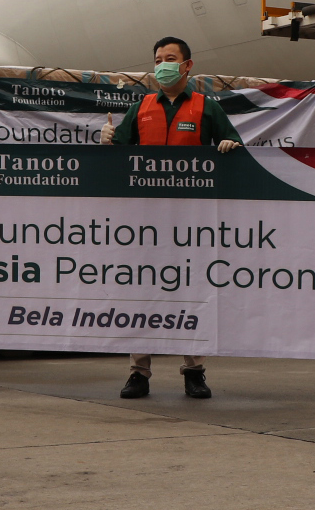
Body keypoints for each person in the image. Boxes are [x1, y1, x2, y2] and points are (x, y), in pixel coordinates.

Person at [99, 37, 241, 400]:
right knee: (141, 290)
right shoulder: (141, 107)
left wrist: (229, 146)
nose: (162, 65)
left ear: (187, 65)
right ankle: (138, 373)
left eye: (170, 58)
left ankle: (194, 372)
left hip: (191, 220)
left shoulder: (207, 108)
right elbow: (117, 157)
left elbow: (234, 146)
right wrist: (107, 140)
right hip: (144, 219)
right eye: (158, 59)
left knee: (191, 291)